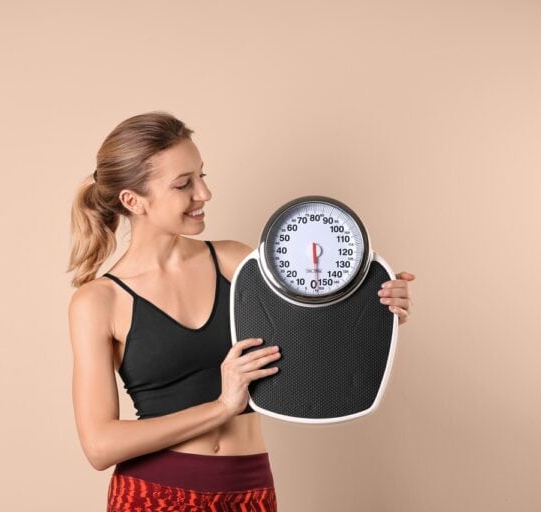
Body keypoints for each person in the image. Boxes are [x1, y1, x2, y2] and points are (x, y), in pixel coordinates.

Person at [66, 111, 415, 511]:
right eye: (184, 184)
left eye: (202, 175)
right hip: (153, 495)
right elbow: (99, 446)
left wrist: (377, 306)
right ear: (133, 201)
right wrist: (222, 407)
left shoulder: (237, 262)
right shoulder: (98, 301)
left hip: (250, 491)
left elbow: (316, 331)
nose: (204, 194)